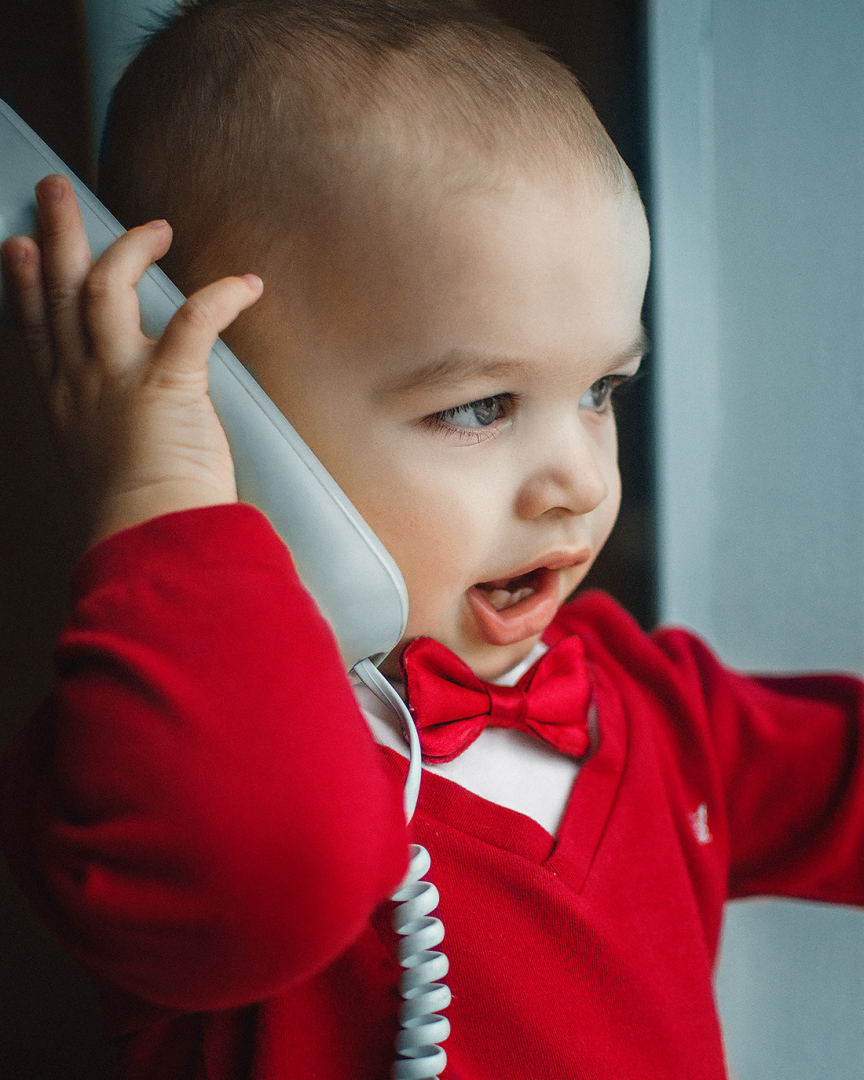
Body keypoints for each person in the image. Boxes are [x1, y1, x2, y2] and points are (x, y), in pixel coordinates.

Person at [2, 1, 863, 1077]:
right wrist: (174, 502)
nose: (581, 483)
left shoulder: (657, 710)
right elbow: (270, 866)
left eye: (601, 389)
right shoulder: (150, 758)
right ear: (227, 415)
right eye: (481, 406)